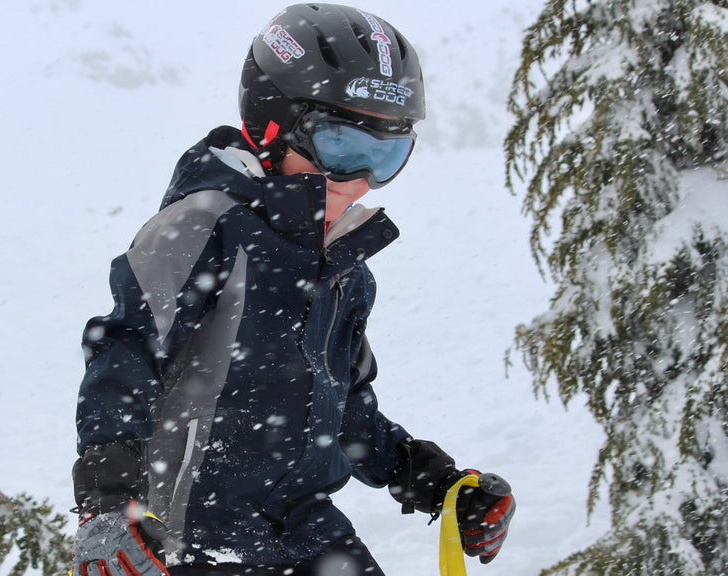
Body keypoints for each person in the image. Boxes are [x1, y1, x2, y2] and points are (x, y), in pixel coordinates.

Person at [70, 5, 515, 576]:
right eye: (341, 146)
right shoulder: (204, 224)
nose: (359, 180)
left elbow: (347, 410)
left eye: (385, 155)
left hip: (304, 531)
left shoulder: (344, 267)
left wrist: (433, 481)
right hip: (191, 538)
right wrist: (107, 500)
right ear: (272, 123)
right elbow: (129, 349)